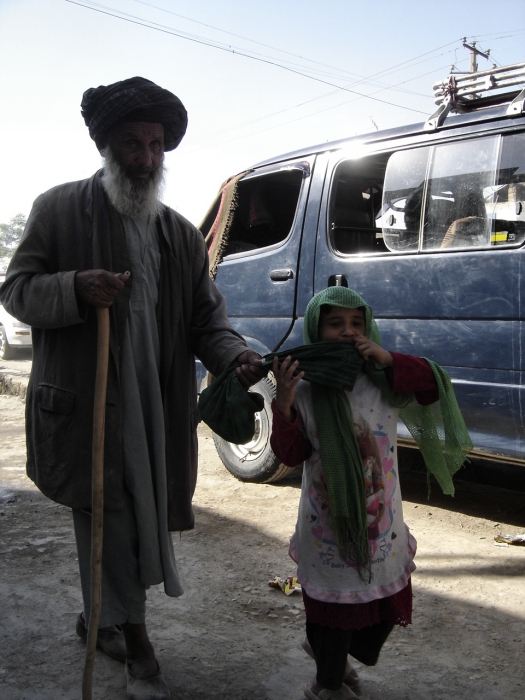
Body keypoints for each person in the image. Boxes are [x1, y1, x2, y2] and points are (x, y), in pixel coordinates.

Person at [0, 77, 264, 700]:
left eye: (155, 146)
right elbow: (15, 291)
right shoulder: (59, 208)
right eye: (132, 144)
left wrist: (235, 358)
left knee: (141, 517)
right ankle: (133, 631)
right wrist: (72, 288)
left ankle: (100, 617)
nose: (146, 159)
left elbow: (207, 320)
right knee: (109, 518)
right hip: (88, 404)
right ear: (106, 147)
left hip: (156, 405)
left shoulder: (176, 232)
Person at [270, 286, 471, 700]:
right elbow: (290, 452)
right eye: (334, 324)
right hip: (326, 530)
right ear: (315, 330)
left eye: (356, 324)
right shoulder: (306, 390)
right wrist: (285, 403)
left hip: (383, 528)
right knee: (333, 610)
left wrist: (387, 358)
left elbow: (433, 385)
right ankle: (326, 682)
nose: (348, 332)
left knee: (376, 614)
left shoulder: (384, 381)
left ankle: (328, 653)